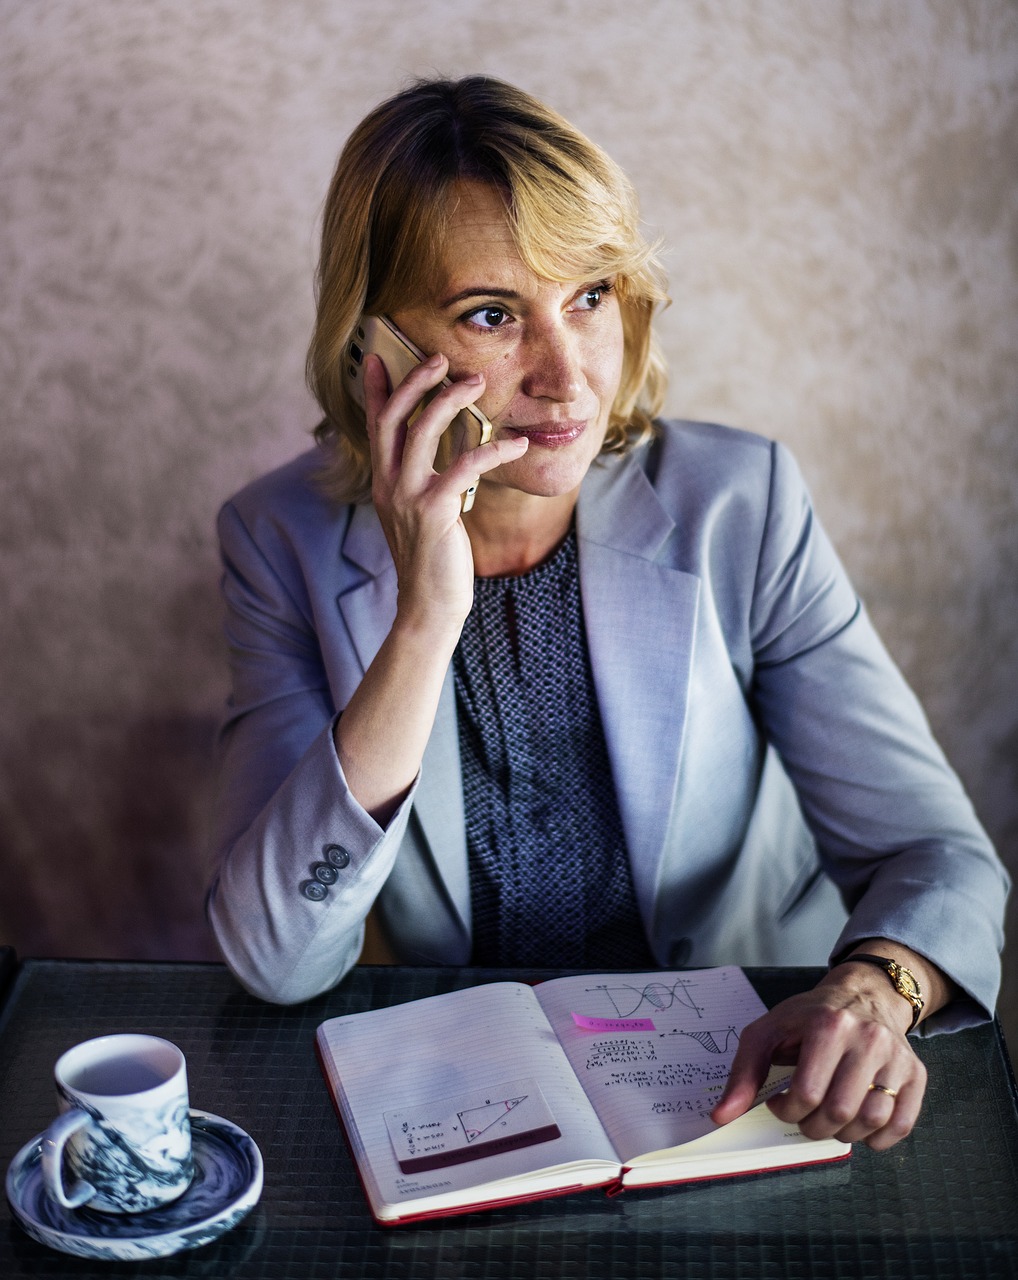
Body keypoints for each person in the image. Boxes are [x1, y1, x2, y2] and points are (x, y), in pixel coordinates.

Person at [206, 76, 1008, 1152]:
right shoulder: (278, 540)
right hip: (480, 1093)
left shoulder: (741, 504)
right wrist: (422, 621)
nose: (567, 371)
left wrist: (875, 988)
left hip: (747, 1080)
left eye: (588, 294)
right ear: (376, 350)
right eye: (492, 313)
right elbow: (272, 953)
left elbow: (935, 850)